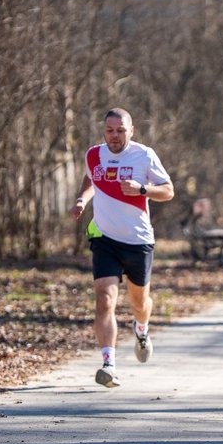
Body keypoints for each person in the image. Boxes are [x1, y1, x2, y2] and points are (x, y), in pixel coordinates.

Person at [70, 108, 174, 388]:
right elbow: (91, 179)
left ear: (131, 131)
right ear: (104, 131)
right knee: (104, 299)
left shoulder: (144, 155)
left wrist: (142, 190)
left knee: (139, 304)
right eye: (110, 131)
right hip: (105, 240)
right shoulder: (94, 154)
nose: (114, 136)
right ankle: (109, 364)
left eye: (120, 130)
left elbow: (168, 190)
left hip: (138, 241)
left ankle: (142, 329)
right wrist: (82, 200)